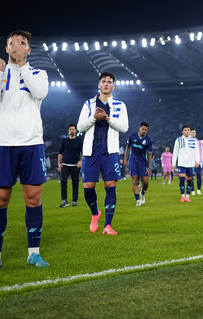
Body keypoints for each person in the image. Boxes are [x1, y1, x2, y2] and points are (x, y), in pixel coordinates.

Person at [0, 30, 50, 273]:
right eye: (11, 43)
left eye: (21, 43)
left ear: (28, 50)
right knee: (0, 200)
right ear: (5, 47)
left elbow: (40, 93)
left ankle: (34, 254)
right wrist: (1, 69)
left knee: (34, 198)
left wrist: (22, 66)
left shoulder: (38, 74)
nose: (15, 46)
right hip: (2, 144)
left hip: (32, 144)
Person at [78, 71, 128, 235]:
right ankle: (95, 213)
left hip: (110, 152)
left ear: (113, 86)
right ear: (99, 85)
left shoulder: (120, 105)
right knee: (88, 187)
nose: (106, 84)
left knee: (110, 185)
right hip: (91, 152)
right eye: (103, 81)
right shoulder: (88, 104)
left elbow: (124, 127)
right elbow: (80, 127)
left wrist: (107, 119)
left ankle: (108, 225)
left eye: (109, 82)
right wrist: (93, 117)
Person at [124, 121, 153, 206]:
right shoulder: (132, 137)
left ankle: (143, 193)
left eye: (146, 130)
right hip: (133, 162)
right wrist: (125, 159)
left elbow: (149, 154)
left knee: (146, 181)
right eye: (143, 129)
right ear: (139, 128)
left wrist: (149, 167)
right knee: (135, 181)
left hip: (143, 163)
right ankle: (137, 200)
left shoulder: (148, 140)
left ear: (147, 130)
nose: (144, 131)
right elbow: (128, 148)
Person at [172, 125, 200, 202]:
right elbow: (175, 152)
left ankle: (187, 196)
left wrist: (197, 161)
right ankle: (182, 196)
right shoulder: (178, 140)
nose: (187, 131)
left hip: (191, 164)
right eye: (185, 130)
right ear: (182, 131)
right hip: (181, 163)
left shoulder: (194, 140)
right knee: (181, 179)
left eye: (188, 130)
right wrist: (174, 163)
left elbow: (196, 151)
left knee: (190, 180)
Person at [58, 124, 83, 207]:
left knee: (75, 183)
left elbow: (83, 153)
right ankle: (64, 200)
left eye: (73, 129)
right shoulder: (64, 141)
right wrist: (59, 163)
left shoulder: (79, 141)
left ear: (75, 130)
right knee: (63, 181)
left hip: (75, 165)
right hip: (65, 164)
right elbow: (60, 152)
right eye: (70, 129)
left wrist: (80, 161)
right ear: (68, 131)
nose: (72, 130)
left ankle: (74, 200)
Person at [190, 128, 203, 195]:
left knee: (198, 175)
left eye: (194, 132)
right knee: (191, 176)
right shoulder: (188, 142)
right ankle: (192, 190)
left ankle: (198, 190)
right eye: (192, 132)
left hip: (198, 161)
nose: (193, 133)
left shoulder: (199, 141)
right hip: (190, 162)